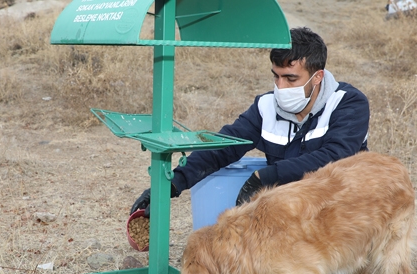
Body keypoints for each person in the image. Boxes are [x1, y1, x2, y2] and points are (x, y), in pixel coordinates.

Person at [130, 27, 369, 217]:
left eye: (291, 78)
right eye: (276, 76)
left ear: (317, 77)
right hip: (294, 208)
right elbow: (223, 146)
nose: (280, 87)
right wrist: (171, 185)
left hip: (339, 208)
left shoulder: (348, 104)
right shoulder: (266, 107)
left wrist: (267, 176)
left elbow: (336, 156)